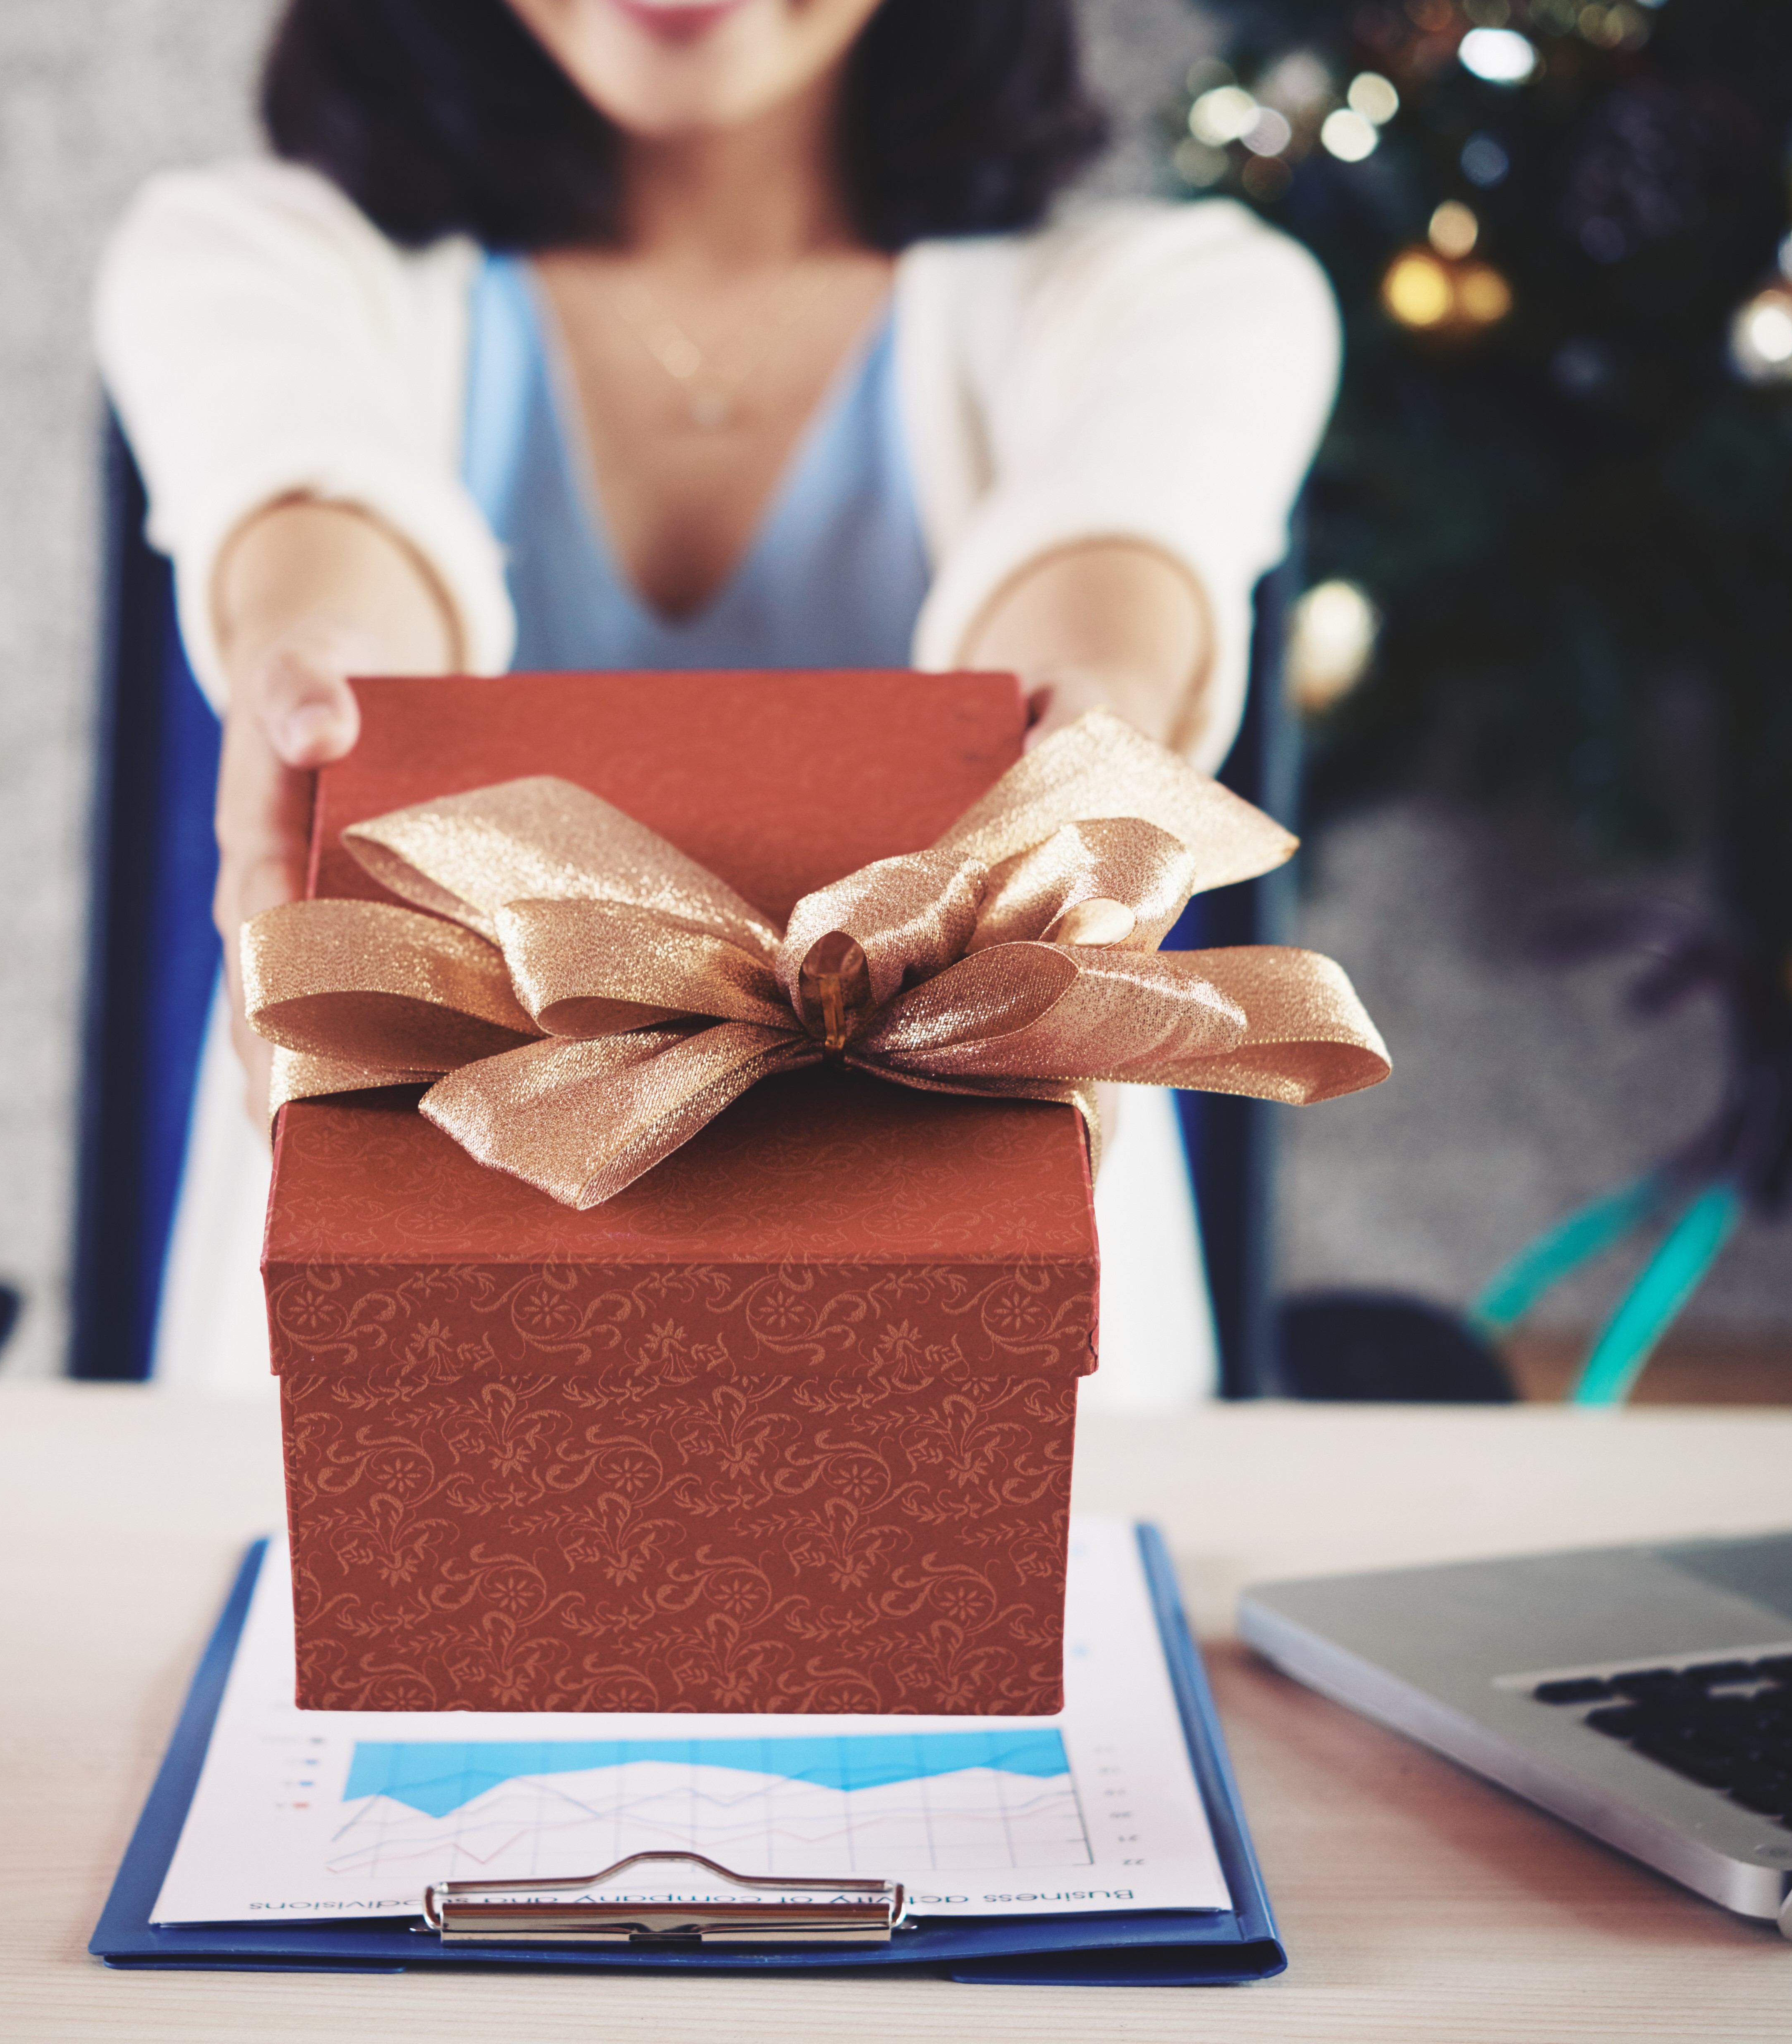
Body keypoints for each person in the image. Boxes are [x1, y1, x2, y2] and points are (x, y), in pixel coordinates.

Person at [97, 0, 1338, 1404]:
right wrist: (321, 656)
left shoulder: (1183, 295)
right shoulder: (253, 255)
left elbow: (1113, 571)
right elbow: (328, 538)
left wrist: (1092, 719)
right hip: (429, 1229)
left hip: (972, 1291)